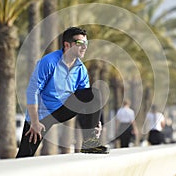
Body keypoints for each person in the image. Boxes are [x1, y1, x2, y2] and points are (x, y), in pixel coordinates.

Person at [16, 27, 109, 158]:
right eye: (79, 43)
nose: (84, 47)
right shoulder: (49, 62)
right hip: (41, 116)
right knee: (24, 157)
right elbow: (33, 91)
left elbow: (87, 102)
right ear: (67, 45)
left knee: (94, 93)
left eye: (86, 43)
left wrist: (94, 125)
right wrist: (35, 122)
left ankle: (90, 143)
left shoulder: (81, 69)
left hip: (63, 109)